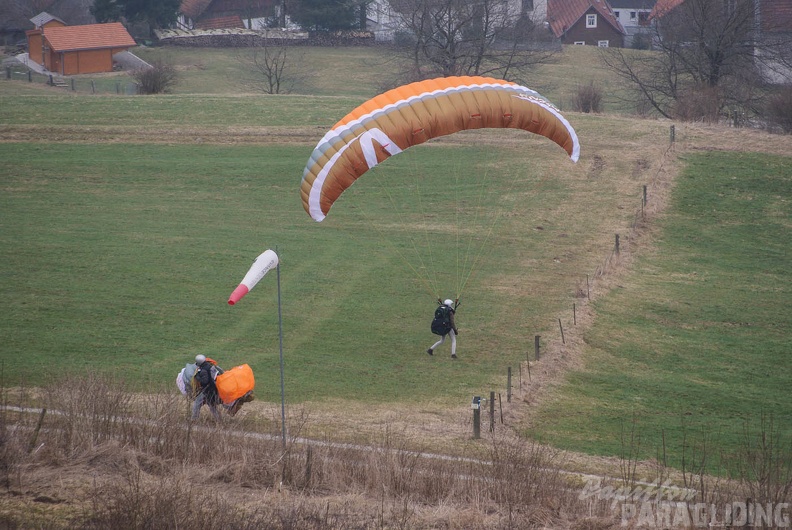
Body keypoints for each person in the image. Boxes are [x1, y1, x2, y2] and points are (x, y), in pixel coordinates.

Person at [191, 354, 222, 421]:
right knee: (212, 405)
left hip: (206, 390)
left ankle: (194, 419)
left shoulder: (203, 370)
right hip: (213, 389)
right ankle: (219, 420)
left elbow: (205, 381)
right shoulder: (210, 366)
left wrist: (197, 377)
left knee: (197, 403)